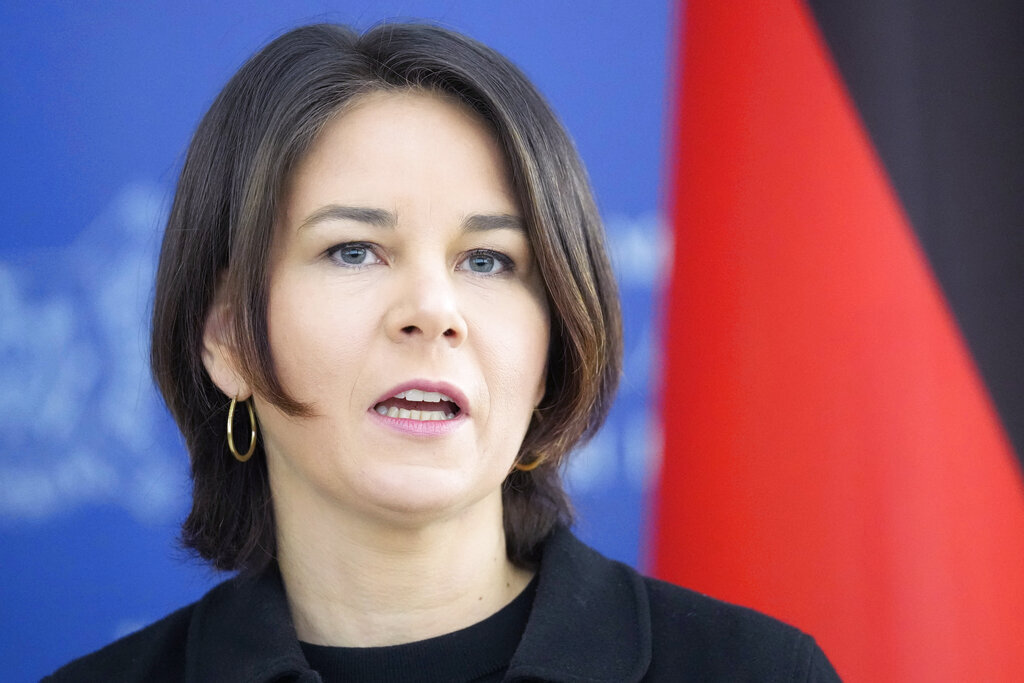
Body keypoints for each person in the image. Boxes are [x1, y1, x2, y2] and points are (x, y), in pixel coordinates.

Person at [48, 22, 840, 682]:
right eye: (354, 250)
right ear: (226, 337)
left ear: (554, 341)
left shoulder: (760, 671)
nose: (432, 311)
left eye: (488, 261)